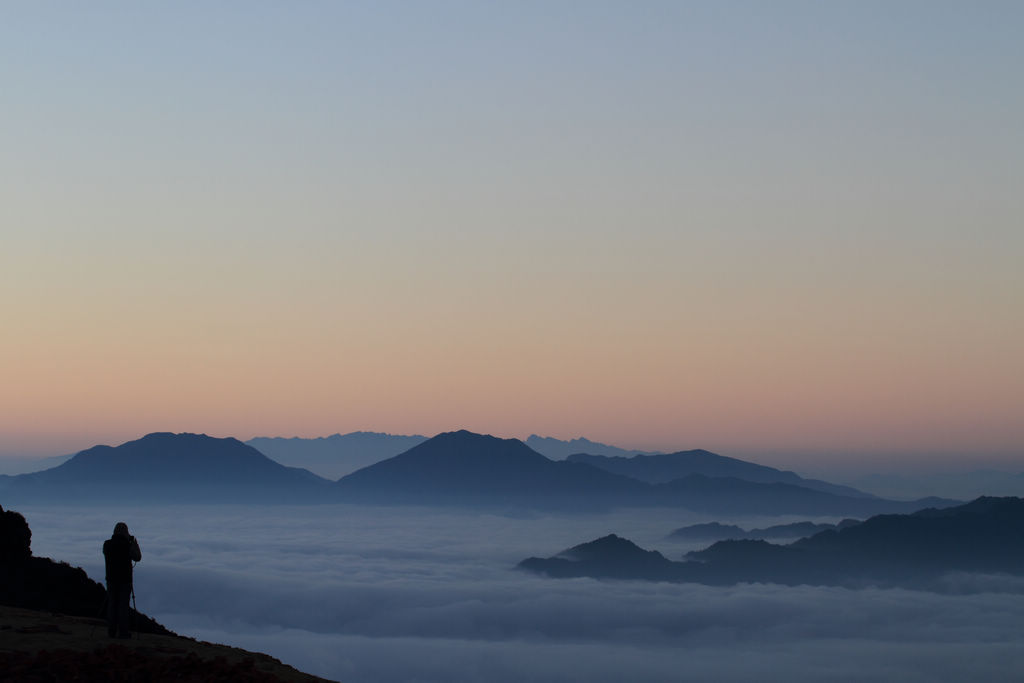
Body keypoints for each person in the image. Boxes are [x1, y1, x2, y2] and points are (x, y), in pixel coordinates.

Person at [102, 522, 142, 638]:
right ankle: (123, 632)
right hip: (125, 580)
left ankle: (111, 630)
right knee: (123, 606)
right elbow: (137, 557)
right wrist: (134, 543)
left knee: (112, 604)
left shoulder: (107, 544)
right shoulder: (127, 545)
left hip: (111, 579)